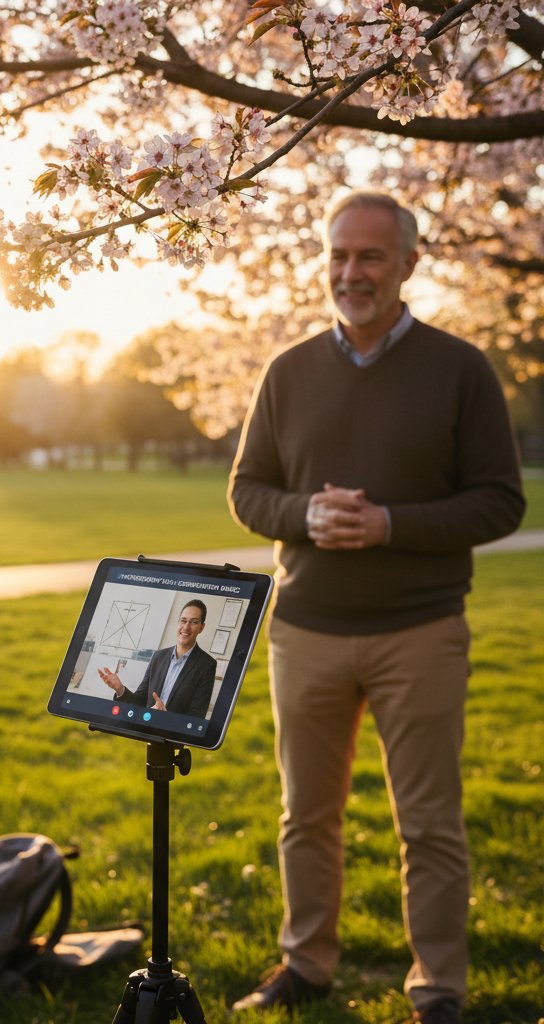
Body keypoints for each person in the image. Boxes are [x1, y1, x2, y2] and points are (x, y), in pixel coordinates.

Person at [227, 191, 526, 1024]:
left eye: (369, 257)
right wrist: (304, 517)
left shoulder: (461, 369)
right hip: (306, 630)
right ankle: (308, 965)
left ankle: (438, 989)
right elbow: (247, 491)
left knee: (429, 823)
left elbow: (501, 503)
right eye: (338, 257)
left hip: (421, 631)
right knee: (305, 817)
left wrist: (391, 524)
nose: (350, 274)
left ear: (408, 265)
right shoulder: (287, 370)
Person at [99, 599, 217, 718]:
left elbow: (197, 716)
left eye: (194, 622)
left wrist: (165, 716)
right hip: (146, 729)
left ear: (201, 627)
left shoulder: (207, 665)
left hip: (171, 735)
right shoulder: (158, 656)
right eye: (183, 621)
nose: (186, 627)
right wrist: (120, 689)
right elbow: (140, 700)